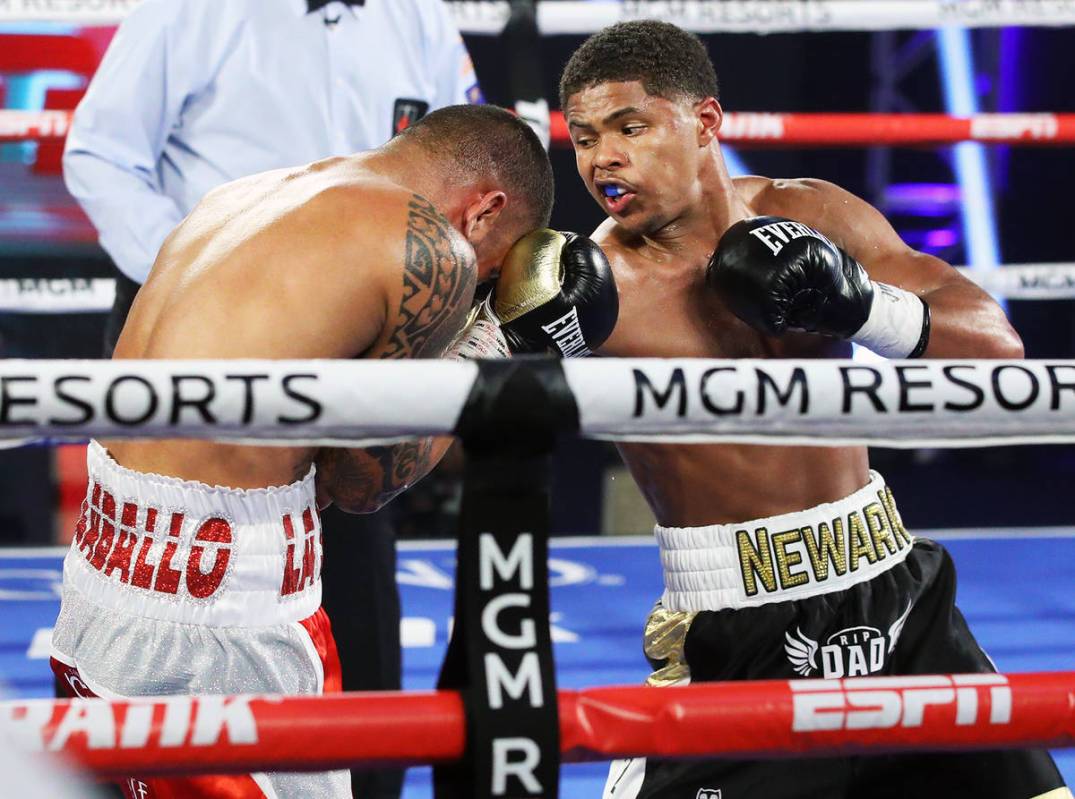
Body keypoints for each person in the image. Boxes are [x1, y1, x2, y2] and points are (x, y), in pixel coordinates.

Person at [552, 21, 1070, 799]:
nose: (603, 159)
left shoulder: (810, 214)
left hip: (894, 589)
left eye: (631, 127)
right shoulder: (594, 291)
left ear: (705, 122)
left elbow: (997, 348)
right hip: (735, 621)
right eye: (585, 137)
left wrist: (859, 307)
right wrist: (523, 343)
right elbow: (441, 414)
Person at [49, 104, 565, 799]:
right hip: (221, 614)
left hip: (99, 580)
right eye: (490, 268)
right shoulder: (432, 249)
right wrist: (496, 337)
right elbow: (363, 481)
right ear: (484, 211)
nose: (475, 287)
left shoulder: (245, 193)